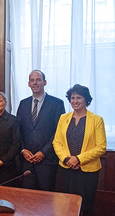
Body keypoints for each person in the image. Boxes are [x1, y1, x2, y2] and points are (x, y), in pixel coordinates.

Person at [53, 84, 106, 216]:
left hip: (87, 172)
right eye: (72, 98)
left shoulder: (96, 120)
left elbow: (101, 147)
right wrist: (67, 159)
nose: (75, 101)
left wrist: (78, 159)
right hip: (66, 169)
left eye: (79, 98)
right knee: (66, 205)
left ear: (86, 100)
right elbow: (57, 142)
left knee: (86, 206)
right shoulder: (63, 118)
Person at [17, 70, 65, 191]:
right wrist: (23, 150)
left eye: (38, 80)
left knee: (46, 198)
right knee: (28, 197)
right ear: (28, 84)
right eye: (32, 80)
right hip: (26, 160)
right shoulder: (23, 103)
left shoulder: (57, 103)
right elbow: (17, 130)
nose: (35, 83)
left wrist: (44, 152)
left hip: (47, 160)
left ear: (45, 82)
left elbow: (58, 132)